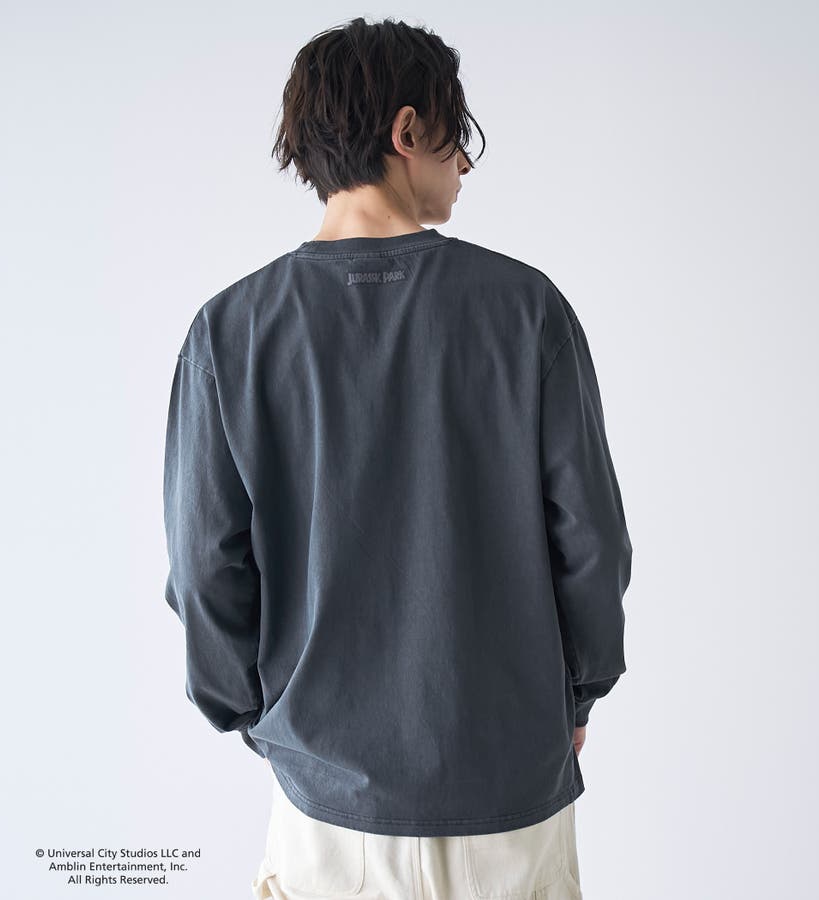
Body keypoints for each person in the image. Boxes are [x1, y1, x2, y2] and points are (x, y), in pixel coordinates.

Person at [162, 16, 633, 900]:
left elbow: (203, 567)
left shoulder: (230, 332)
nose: (466, 166)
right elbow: (591, 540)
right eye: (460, 135)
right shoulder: (526, 309)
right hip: (511, 793)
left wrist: (261, 720)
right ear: (408, 129)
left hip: (325, 809)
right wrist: (576, 696)